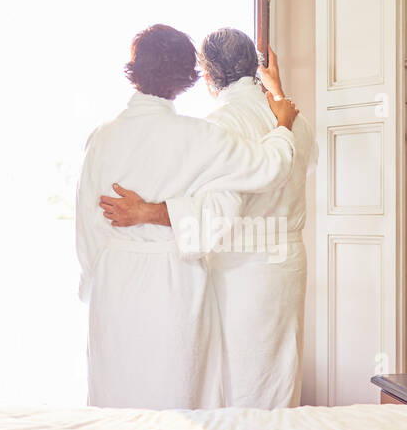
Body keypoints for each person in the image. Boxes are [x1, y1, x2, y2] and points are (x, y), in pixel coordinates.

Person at [75, 24, 298, 409]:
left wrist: (96, 277)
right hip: (174, 280)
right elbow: (269, 169)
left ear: (135, 70)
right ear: (189, 78)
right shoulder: (200, 138)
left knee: (115, 398)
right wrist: (282, 127)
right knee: (177, 399)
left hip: (113, 281)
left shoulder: (102, 136)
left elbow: (86, 226)